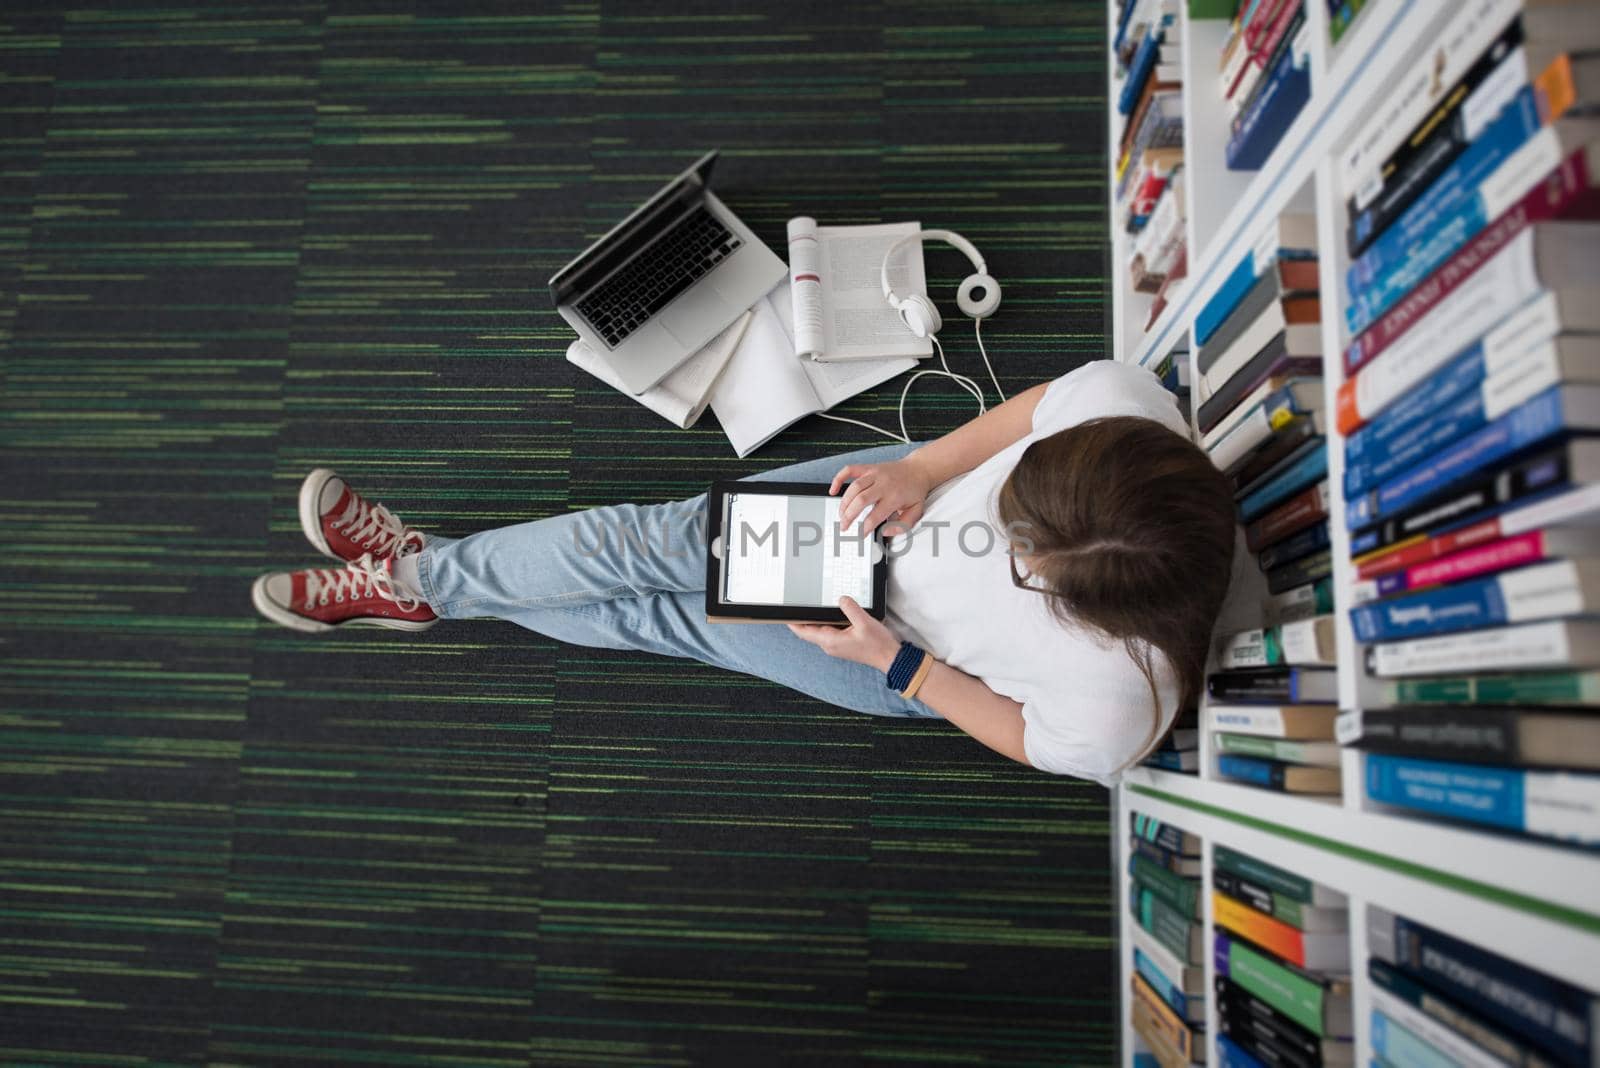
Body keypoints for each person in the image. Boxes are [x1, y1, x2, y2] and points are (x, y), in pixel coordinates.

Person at [251, 360, 1237, 785]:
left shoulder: (1123, 708)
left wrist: (898, 667)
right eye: (1014, 509)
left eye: (1023, 563)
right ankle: (424, 580)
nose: (999, 540)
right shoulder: (1123, 407)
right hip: (886, 505)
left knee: (659, 620)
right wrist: (924, 468)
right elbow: (1027, 413)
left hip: (903, 654)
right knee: (637, 546)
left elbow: (1027, 736)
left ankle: (417, 580)